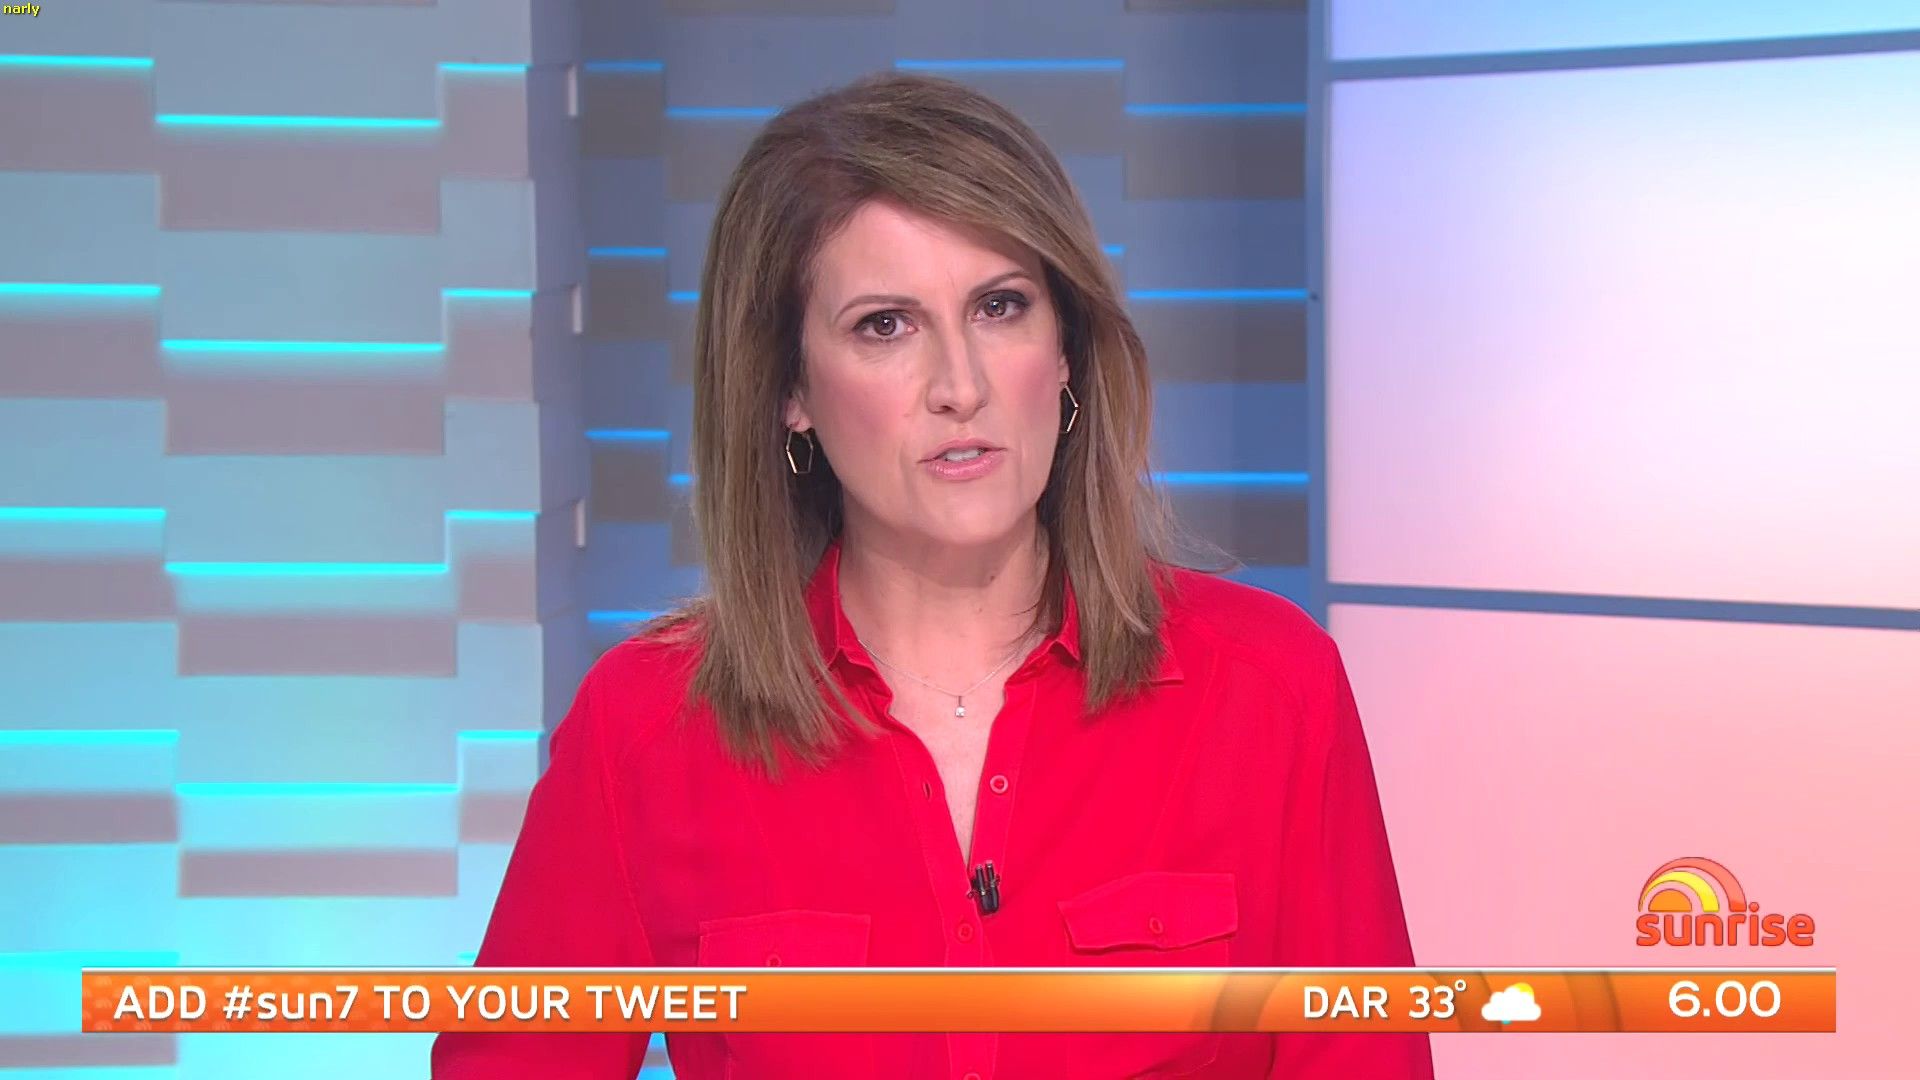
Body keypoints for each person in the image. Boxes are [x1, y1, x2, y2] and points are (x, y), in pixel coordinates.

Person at [432, 71, 1431, 1079]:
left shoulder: (1270, 691)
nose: (961, 385)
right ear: (789, 389)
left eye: (1000, 306)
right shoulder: (645, 730)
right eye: (886, 325)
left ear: (1067, 349)